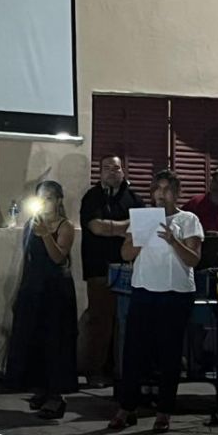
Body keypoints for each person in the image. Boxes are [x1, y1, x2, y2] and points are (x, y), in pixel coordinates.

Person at [109, 169, 203, 433]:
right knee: (134, 351)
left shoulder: (188, 220)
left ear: (176, 193)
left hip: (175, 293)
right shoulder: (143, 218)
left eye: (167, 189)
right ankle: (126, 407)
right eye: (157, 189)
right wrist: (140, 238)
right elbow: (126, 253)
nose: (162, 194)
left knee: (169, 354)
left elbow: (193, 259)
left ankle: (164, 411)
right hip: (144, 290)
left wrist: (173, 240)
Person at [5, 180, 77, 420]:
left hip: (56, 291)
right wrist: (19, 291)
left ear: (58, 200)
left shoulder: (65, 226)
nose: (45, 203)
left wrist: (46, 234)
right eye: (41, 198)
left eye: (49, 198)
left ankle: (56, 395)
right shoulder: (30, 225)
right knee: (33, 340)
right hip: (33, 287)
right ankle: (41, 388)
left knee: (55, 342)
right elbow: (28, 259)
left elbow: (58, 257)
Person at [77, 155, 143, 388]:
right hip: (98, 268)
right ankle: (94, 370)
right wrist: (126, 227)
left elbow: (144, 225)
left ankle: (121, 370)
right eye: (107, 168)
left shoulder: (134, 198)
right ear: (100, 172)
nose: (112, 172)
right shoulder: (92, 197)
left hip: (128, 268)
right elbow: (96, 227)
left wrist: (112, 227)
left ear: (123, 171)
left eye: (116, 168)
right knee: (100, 320)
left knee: (124, 322)